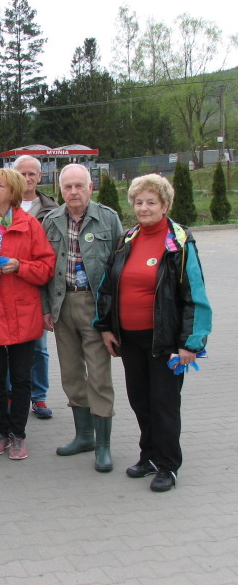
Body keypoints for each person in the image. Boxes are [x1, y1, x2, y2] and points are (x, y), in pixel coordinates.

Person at [95, 174, 212, 492]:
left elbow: (194, 295)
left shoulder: (179, 242)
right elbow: (108, 287)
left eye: (151, 202)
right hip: (129, 339)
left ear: (164, 205)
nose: (143, 207)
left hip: (166, 342)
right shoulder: (127, 239)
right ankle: (148, 456)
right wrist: (105, 326)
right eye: (138, 201)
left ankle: (168, 465)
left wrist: (191, 343)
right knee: (140, 401)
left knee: (164, 403)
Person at [0, 168, 55, 461]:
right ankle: (0, 431)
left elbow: (46, 269)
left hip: (22, 314)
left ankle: (18, 434)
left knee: (21, 379)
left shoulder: (30, 225)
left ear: (13, 192)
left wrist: (21, 266)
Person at [41, 163, 123, 472]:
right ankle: (84, 435)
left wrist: (114, 316)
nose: (73, 192)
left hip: (95, 308)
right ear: (60, 190)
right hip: (63, 307)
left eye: (79, 185)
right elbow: (44, 270)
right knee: (72, 375)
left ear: (91, 187)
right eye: (67, 187)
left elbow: (119, 269)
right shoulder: (50, 221)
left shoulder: (109, 219)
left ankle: (103, 446)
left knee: (99, 377)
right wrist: (45, 308)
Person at [13, 155, 58, 419]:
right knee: (9, 348)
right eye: (22, 173)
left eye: (32, 174)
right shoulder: (3, 207)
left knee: (38, 347)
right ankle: (11, 394)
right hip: (7, 286)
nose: (27, 178)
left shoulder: (51, 210)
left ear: (40, 177)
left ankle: (38, 397)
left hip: (37, 287)